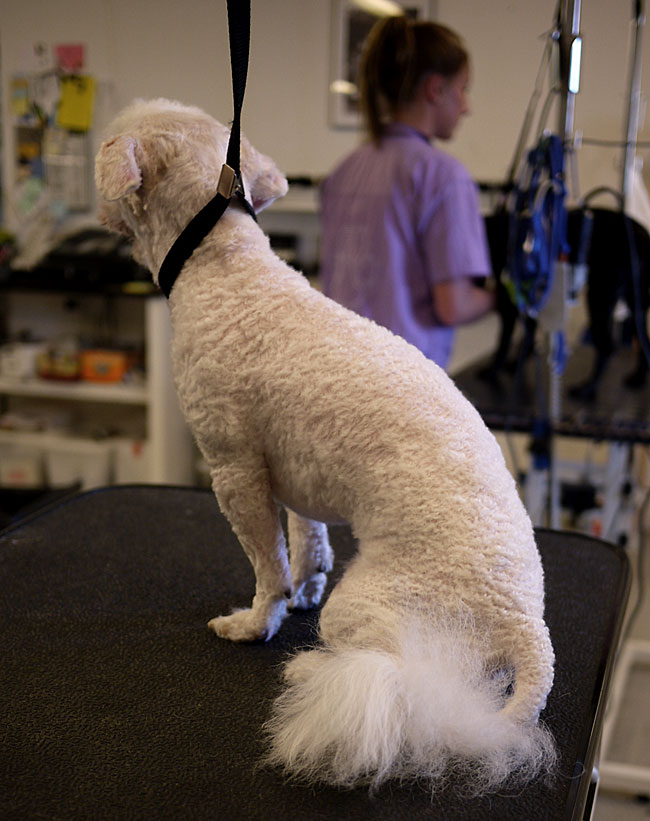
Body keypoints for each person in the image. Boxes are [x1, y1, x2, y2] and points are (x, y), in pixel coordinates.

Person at [319, 15, 495, 369]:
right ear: (435, 89)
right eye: (463, 89)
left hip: (336, 374)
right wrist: (503, 299)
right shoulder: (445, 177)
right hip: (403, 388)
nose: (466, 106)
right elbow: (453, 305)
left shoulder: (342, 171)